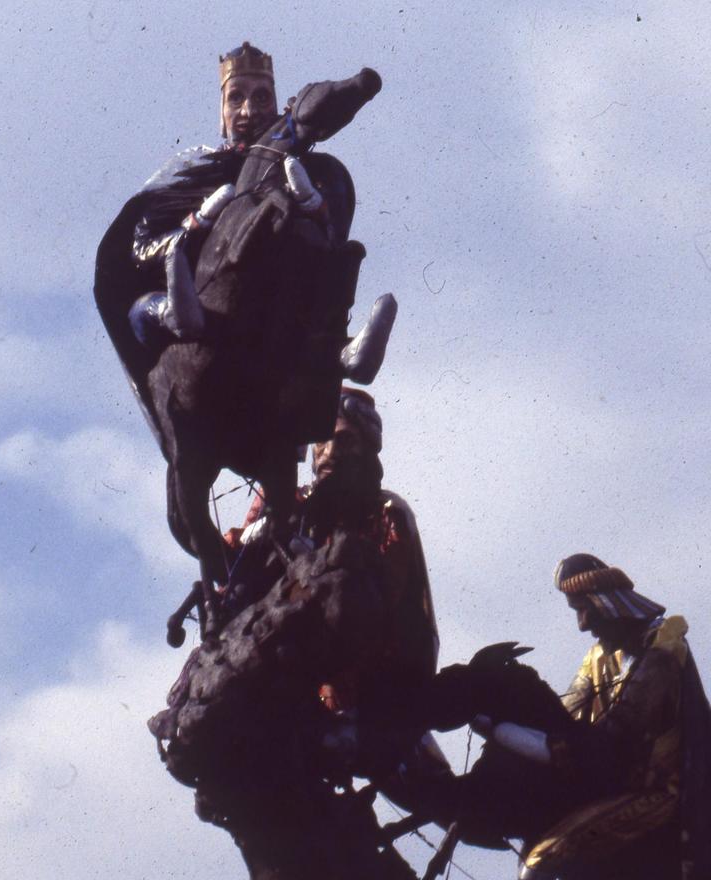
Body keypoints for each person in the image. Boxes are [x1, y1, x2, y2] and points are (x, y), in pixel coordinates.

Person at [224, 387, 441, 774]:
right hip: (297, 662)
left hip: (379, 668)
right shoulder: (293, 502)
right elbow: (240, 558)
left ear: (366, 447)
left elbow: (376, 600)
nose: (328, 452)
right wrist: (244, 543)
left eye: (343, 439)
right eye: (321, 441)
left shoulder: (388, 512)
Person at [471, 553, 711, 879]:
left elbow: (619, 734)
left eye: (583, 609)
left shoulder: (663, 648)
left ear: (607, 602)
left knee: (538, 864)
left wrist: (506, 732)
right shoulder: (597, 657)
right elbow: (565, 712)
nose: (582, 624)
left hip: (656, 793)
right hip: (610, 783)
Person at [127, 41, 329, 347]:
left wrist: (313, 204)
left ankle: (336, 345)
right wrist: (195, 224)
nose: (249, 110)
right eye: (236, 98)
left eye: (261, 97)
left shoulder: (298, 166)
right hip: (198, 294)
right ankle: (172, 314)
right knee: (140, 310)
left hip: (279, 301)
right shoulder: (193, 167)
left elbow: (330, 236)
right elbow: (142, 247)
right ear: (222, 113)